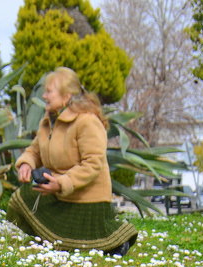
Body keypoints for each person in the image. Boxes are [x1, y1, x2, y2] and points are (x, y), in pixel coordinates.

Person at [7, 67, 137, 256]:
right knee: (21, 199)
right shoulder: (49, 121)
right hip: (57, 192)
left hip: (86, 198)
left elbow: (93, 163)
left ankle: (114, 243)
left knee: (81, 242)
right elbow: (34, 150)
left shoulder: (87, 121)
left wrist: (61, 183)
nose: (44, 96)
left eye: (49, 91)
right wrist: (27, 163)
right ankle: (51, 237)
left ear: (66, 96)